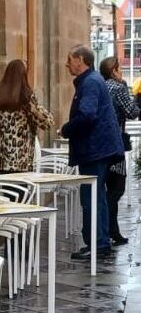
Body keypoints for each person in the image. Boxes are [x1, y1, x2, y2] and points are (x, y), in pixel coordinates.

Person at [60, 45, 124, 260]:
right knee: (98, 198)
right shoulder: (92, 80)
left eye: (70, 59)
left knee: (91, 199)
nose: (67, 64)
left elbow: (87, 115)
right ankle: (101, 242)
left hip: (95, 150)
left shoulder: (90, 83)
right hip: (98, 149)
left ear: (80, 59)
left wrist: (67, 129)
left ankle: (97, 244)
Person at [0, 59, 54, 173]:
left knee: (8, 190)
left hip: (2, 160)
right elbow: (46, 122)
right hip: (20, 160)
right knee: (21, 190)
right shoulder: (25, 98)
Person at [100, 56, 139, 245]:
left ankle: (109, 230)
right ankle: (110, 229)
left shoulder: (100, 86)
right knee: (117, 188)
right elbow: (131, 112)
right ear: (113, 70)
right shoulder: (118, 87)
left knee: (108, 188)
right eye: (119, 68)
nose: (122, 71)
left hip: (100, 145)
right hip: (115, 145)